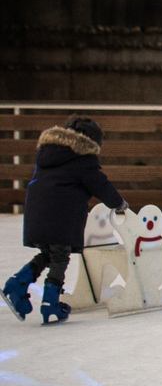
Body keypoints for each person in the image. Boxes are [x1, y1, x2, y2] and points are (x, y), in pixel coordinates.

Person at [3, 116, 128, 325]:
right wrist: (119, 203)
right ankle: (50, 303)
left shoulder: (49, 153)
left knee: (48, 254)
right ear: (91, 141)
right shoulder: (83, 158)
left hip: (37, 213)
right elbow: (100, 184)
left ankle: (17, 283)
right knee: (60, 257)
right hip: (60, 217)